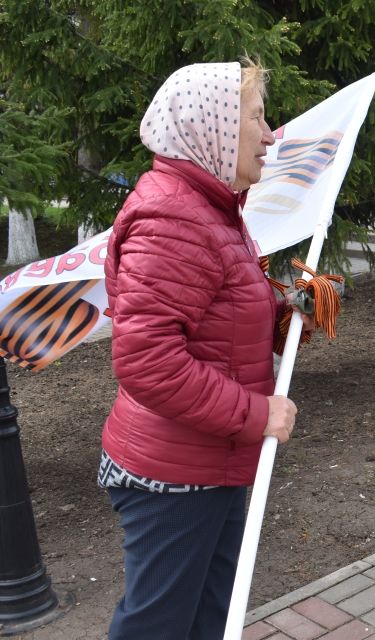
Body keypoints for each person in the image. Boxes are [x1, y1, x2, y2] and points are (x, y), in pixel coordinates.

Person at [99, 59, 313, 639]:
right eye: (256, 117)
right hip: (174, 475)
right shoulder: (175, 215)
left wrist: (289, 307)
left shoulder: (211, 207)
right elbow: (148, 360)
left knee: (208, 621)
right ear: (212, 125)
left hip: (208, 464)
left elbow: (218, 321)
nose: (270, 134)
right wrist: (256, 413)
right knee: (159, 628)